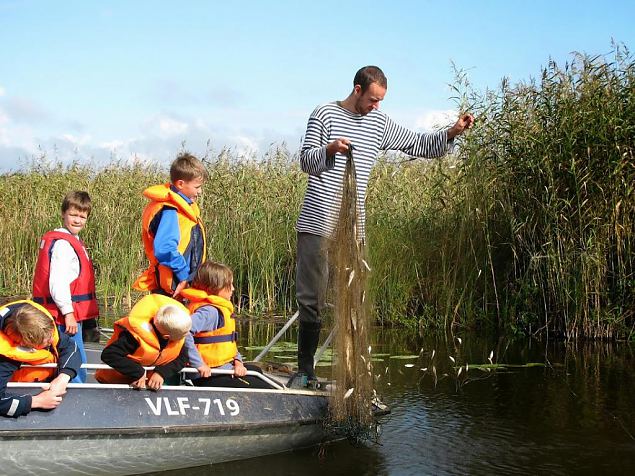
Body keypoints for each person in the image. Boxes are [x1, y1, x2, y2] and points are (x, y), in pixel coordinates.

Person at [296, 65, 474, 381]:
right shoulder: (323, 114)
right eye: (373, 99)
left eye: (381, 101)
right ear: (357, 89)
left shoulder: (378, 122)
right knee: (312, 298)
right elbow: (306, 160)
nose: (377, 106)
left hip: (353, 228)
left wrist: (452, 133)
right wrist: (330, 149)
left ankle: (350, 374)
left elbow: (417, 143)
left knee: (354, 299)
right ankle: (305, 369)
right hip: (317, 223)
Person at [32, 191, 99, 383]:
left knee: (73, 360)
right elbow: (58, 283)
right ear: (63, 214)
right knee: (73, 364)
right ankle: (74, 401)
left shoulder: (72, 241)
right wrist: (68, 313)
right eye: (73, 215)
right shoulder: (63, 245)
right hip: (63, 316)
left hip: (66, 315)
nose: (77, 220)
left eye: (82, 216)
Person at [181, 261, 272, 388]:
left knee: (256, 370)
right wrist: (199, 364)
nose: (233, 289)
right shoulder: (210, 312)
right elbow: (184, 331)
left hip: (223, 368)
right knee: (265, 388)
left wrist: (238, 362)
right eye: (229, 285)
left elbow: (228, 342)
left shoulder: (216, 309)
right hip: (210, 375)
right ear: (215, 287)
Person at [133, 152, 207, 298]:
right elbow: (164, 248)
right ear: (180, 184)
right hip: (173, 288)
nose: (200, 192)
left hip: (179, 285)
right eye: (197, 187)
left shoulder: (181, 208)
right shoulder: (170, 210)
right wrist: (184, 275)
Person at [0, 300, 82, 418]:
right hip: (19, 393)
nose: (51, 340)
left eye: (50, 335)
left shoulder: (45, 329)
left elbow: (70, 346)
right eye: (46, 342)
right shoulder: (5, 359)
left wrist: (63, 378)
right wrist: (36, 402)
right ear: (25, 344)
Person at [94, 294, 191, 390]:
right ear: (167, 337)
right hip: (114, 384)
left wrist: (161, 373)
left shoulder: (176, 337)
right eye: (183, 336)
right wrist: (138, 372)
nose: (184, 338)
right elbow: (109, 354)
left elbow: (183, 358)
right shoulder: (134, 337)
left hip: (145, 386)